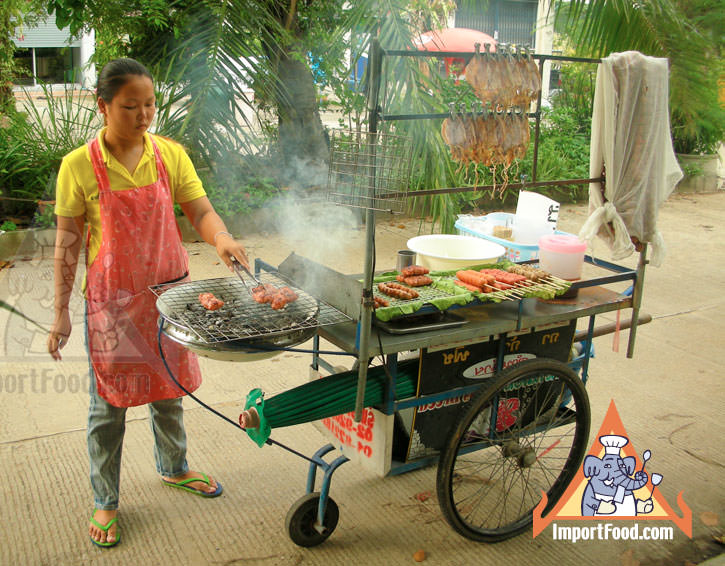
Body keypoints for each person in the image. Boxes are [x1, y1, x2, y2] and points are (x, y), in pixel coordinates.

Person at [47, 58, 249, 548]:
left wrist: (220, 237)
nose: (144, 115)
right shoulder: (79, 166)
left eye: (150, 104)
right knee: (107, 407)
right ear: (103, 107)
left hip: (168, 296)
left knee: (169, 390)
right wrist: (59, 313)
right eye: (130, 106)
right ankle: (105, 499)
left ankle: (175, 467)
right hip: (113, 307)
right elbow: (68, 243)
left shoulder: (169, 156)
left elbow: (198, 209)